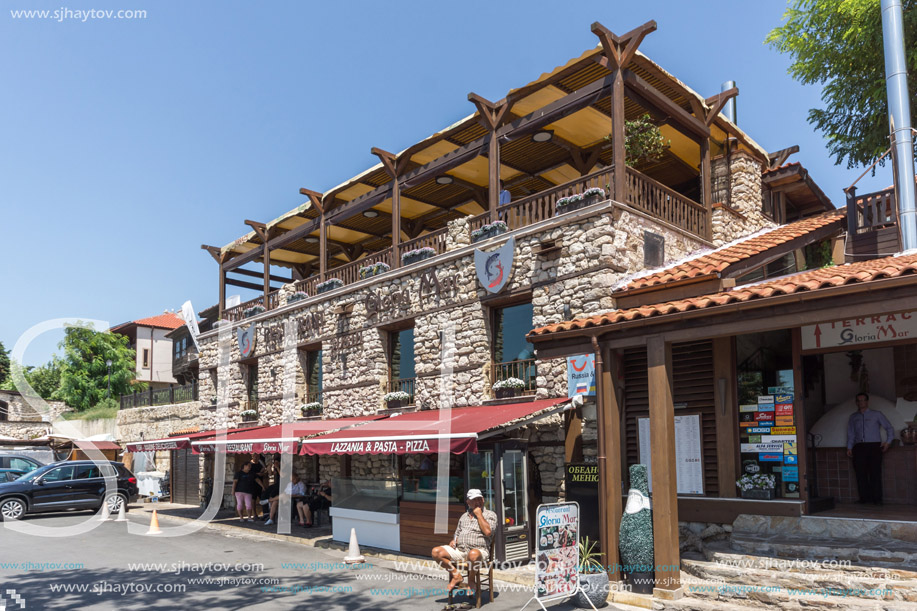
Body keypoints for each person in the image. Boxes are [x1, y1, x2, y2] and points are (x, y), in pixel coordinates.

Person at [431, 489, 497, 593]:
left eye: (479, 499)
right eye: (474, 500)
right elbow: (457, 533)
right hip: (461, 550)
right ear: (468, 502)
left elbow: (488, 532)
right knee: (436, 552)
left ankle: (471, 580)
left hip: (479, 551)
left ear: (483, 499)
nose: (478, 502)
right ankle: (456, 575)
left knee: (473, 554)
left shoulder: (490, 515)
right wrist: (454, 540)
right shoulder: (463, 516)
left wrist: (479, 515)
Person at [846, 392, 895, 505]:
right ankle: (864, 498)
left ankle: (877, 499)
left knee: (875, 473)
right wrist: (849, 447)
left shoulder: (877, 414)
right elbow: (851, 433)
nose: (861, 402)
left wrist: (888, 442)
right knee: (860, 473)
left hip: (874, 446)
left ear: (867, 402)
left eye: (863, 400)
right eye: (859, 400)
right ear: (856, 402)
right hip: (859, 447)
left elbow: (889, 428)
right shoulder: (853, 417)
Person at [247, 452, 266, 517]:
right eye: (255, 456)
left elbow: (264, 469)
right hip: (252, 483)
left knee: (262, 497)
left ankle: (265, 513)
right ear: (252, 456)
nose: (256, 458)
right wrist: (257, 474)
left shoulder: (260, 463)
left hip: (260, 482)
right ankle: (254, 513)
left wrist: (262, 473)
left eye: (258, 456)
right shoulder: (249, 464)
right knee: (253, 499)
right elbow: (249, 473)